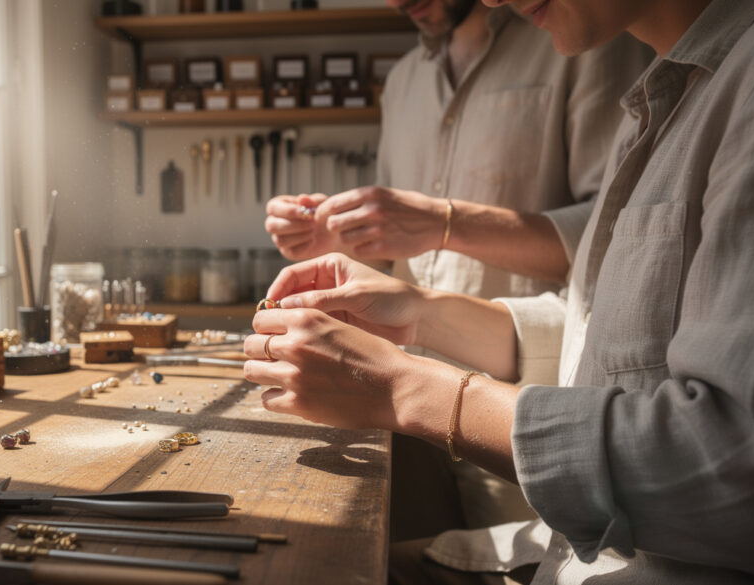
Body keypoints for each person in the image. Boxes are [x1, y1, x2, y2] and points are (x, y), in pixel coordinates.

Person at [244, 0, 754, 583]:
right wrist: (420, 314)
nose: (493, 0)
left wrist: (406, 388)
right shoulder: (655, 94)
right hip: (568, 547)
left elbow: (735, 467)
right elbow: (603, 336)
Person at [268, 0, 652, 539]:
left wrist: (447, 222)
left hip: (528, 409)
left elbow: (616, 235)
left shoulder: (585, 37)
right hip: (398, 409)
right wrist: (336, 236)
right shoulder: (403, 81)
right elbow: (393, 257)